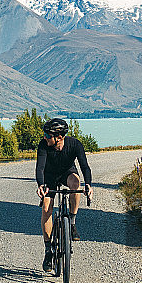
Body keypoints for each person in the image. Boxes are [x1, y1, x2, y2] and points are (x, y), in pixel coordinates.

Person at [36, 117, 92, 273]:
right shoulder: (43, 145)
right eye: (45, 135)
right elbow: (40, 168)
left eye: (48, 135)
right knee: (46, 207)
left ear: (59, 137)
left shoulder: (75, 144)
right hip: (49, 176)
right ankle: (48, 251)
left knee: (76, 183)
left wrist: (88, 185)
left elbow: (85, 167)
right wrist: (41, 185)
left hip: (67, 173)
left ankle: (72, 222)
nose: (45, 138)